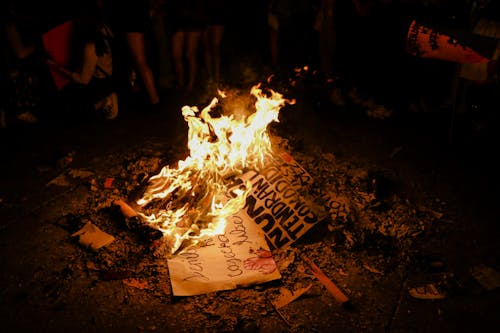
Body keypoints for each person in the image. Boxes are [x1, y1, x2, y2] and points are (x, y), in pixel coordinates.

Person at [46, 0, 119, 120]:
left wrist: (57, 67)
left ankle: (102, 102)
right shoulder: (105, 29)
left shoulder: (91, 44)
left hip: (101, 85)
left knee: (70, 110)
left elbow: (83, 79)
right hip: (110, 79)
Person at [103, 0, 160, 109]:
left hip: (133, 19)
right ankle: (143, 94)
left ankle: (154, 99)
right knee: (135, 60)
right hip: (135, 16)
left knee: (140, 60)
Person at [164, 0, 208, 95]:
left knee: (190, 54)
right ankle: (180, 83)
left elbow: (202, 6)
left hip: (194, 18)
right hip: (177, 20)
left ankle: (190, 85)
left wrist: (205, 25)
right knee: (176, 55)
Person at [203, 0, 229, 89]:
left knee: (215, 46)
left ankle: (217, 77)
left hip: (218, 18)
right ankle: (210, 76)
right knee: (207, 48)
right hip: (205, 18)